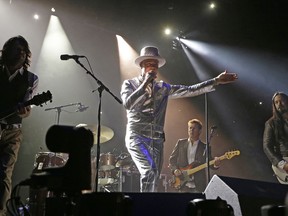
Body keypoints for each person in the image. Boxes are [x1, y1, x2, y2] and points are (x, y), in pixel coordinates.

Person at [120, 46, 237, 192]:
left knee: (154, 176)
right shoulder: (130, 84)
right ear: (142, 66)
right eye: (149, 64)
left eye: (155, 65)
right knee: (149, 171)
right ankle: (146, 209)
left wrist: (216, 81)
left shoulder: (163, 88)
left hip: (156, 140)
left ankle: (149, 206)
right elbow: (128, 104)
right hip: (137, 136)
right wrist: (145, 84)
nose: (153, 68)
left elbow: (190, 90)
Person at [0, 35, 39, 215]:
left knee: (4, 174)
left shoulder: (31, 79)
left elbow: (28, 107)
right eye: (17, 49)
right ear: (7, 51)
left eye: (24, 51)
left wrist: (25, 111)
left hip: (12, 132)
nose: (21, 53)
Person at [168, 119, 221, 192]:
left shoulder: (205, 147)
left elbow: (210, 163)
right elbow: (172, 160)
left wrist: (216, 164)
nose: (191, 130)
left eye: (194, 128)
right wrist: (175, 170)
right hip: (182, 183)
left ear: (199, 131)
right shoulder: (181, 143)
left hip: (198, 185)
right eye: (190, 128)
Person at [263, 92, 288, 184]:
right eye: (276, 102)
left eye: (282, 101)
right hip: (284, 160)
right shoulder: (271, 123)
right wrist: (282, 164)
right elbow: (266, 147)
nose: (279, 105)